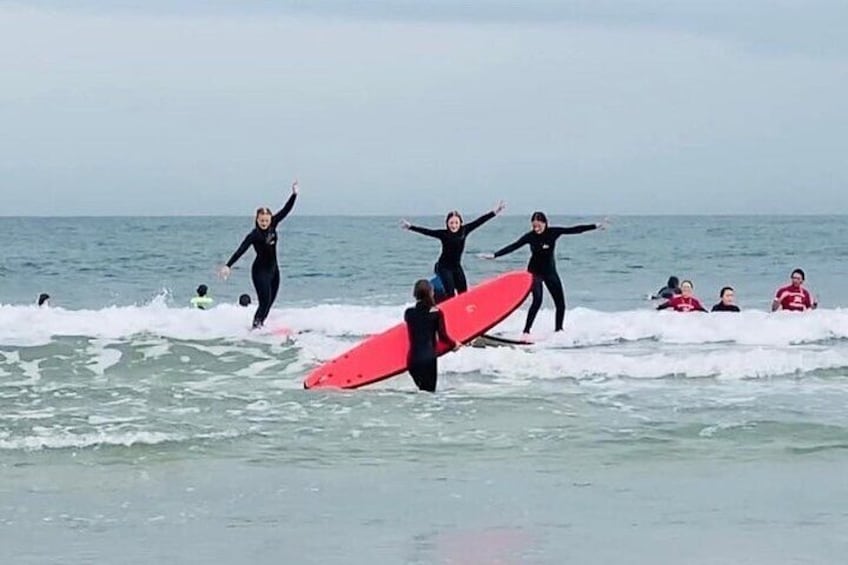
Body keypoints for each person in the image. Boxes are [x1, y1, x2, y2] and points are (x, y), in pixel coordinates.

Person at [480, 212, 608, 340]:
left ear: (545, 223)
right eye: (534, 226)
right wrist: (495, 255)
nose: (536, 229)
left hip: (550, 272)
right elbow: (514, 246)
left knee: (560, 303)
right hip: (534, 272)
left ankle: (558, 331)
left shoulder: (553, 232)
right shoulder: (530, 236)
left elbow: (573, 230)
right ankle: (526, 332)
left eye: (538, 226)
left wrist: (595, 226)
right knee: (537, 300)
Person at [219, 179, 299, 329]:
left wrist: (294, 194)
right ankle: (255, 328)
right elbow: (241, 249)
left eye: (266, 220)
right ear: (257, 219)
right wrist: (228, 265)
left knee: (270, 302)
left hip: (274, 270)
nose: (264, 222)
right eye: (262, 220)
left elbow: (286, 210)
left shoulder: (274, 223)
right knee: (264, 302)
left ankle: (260, 325)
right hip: (260, 271)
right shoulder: (254, 235)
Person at [401, 201, 506, 301]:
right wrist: (410, 227)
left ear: (460, 223)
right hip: (444, 267)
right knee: (450, 294)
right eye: (451, 223)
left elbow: (480, 221)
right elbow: (427, 232)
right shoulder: (444, 234)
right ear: (447, 223)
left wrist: (495, 211)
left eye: (456, 222)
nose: (454, 225)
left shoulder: (465, 230)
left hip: (456, 267)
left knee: (464, 293)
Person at [404, 279, 461, 392]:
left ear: (415, 294)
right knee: (429, 395)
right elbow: (443, 336)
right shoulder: (436, 312)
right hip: (428, 360)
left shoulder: (408, 313)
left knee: (421, 394)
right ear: (431, 293)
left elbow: (418, 329)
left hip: (412, 361)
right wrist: (454, 344)